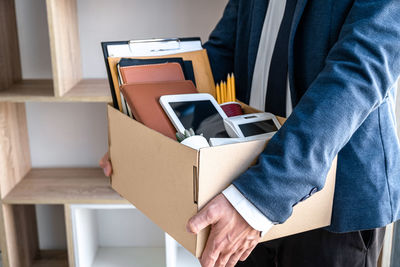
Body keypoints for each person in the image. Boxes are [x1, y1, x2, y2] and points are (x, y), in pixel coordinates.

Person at [101, 0, 400, 266]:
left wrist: (257, 200)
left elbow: (358, 72)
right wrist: (144, 139)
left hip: (329, 203)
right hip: (243, 173)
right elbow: (222, 52)